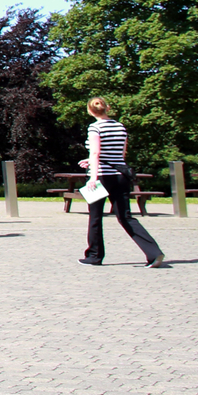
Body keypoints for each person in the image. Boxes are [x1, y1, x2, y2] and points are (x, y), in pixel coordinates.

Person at [80, 97, 168, 268]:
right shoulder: (120, 127)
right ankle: (153, 252)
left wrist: (93, 176)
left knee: (95, 217)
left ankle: (94, 256)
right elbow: (120, 153)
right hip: (120, 175)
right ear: (107, 108)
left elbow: (96, 152)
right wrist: (91, 160)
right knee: (125, 216)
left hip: (102, 177)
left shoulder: (95, 127)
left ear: (90, 111)